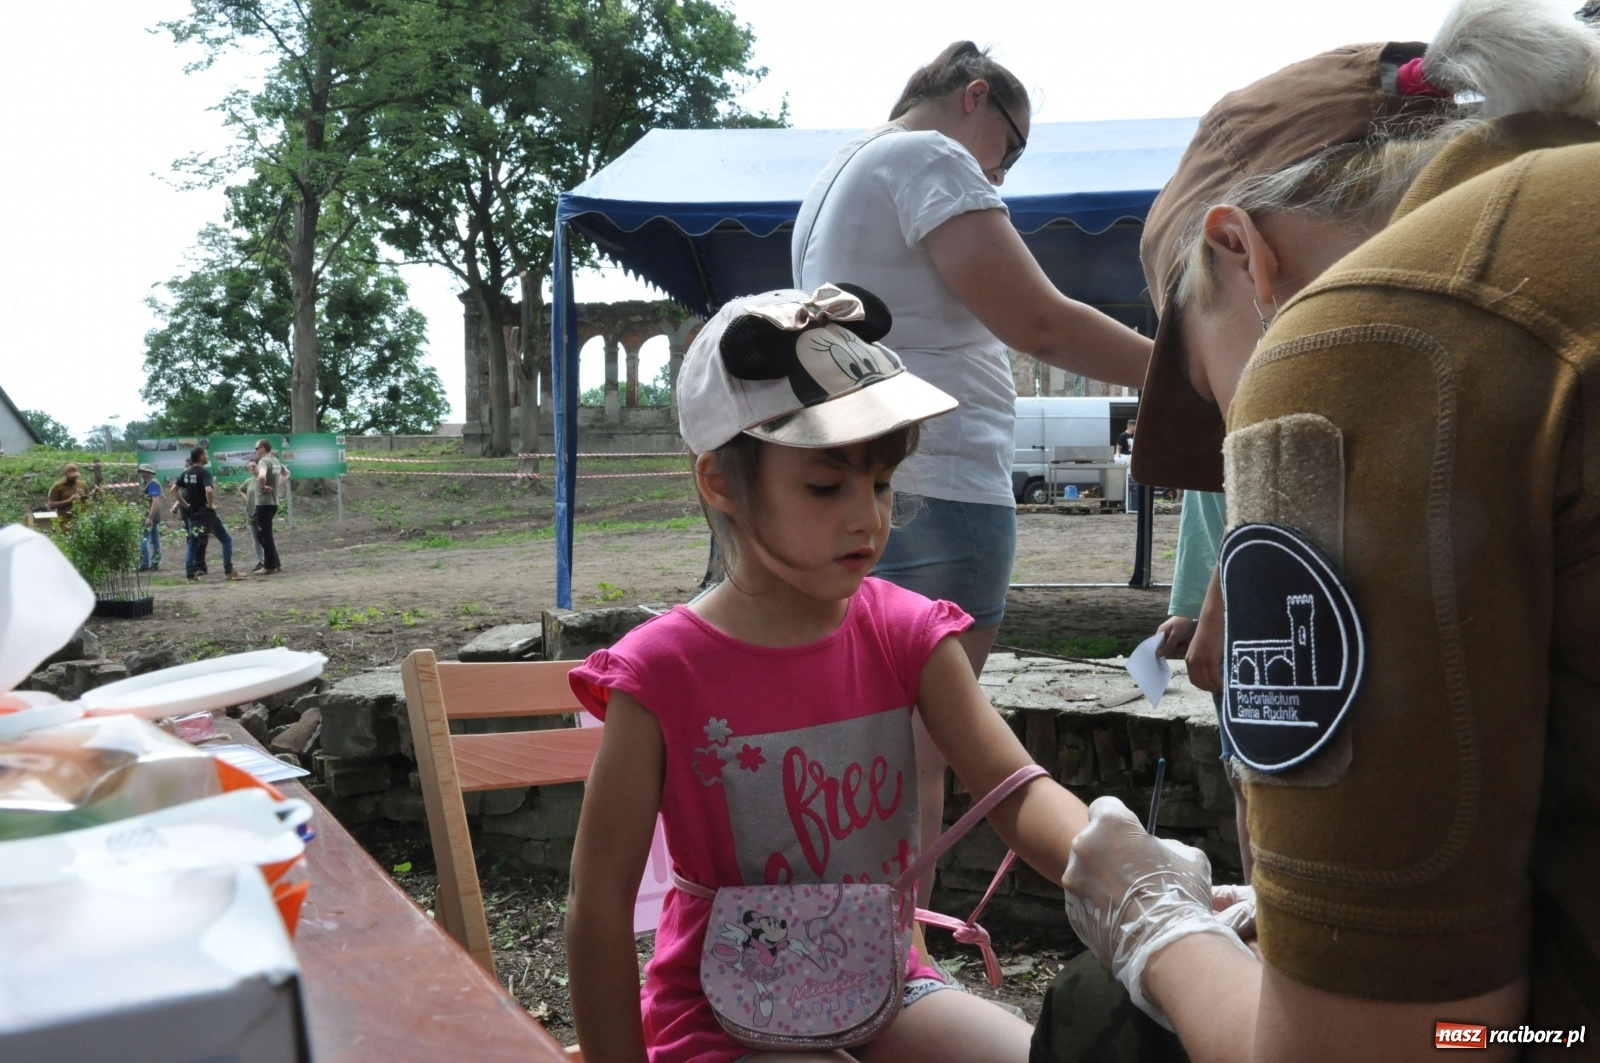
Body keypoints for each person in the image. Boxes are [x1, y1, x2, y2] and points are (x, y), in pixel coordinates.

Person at [1055, 2, 1600, 1058]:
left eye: (1206, 391)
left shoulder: (1369, 340)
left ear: (1242, 254)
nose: (1229, 431)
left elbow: (1400, 1051)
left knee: (1094, 1013)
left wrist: (1148, 916)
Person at [565, 286, 1096, 1063]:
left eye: (880, 481)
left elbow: (1016, 792)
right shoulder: (660, 672)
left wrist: (1131, 881)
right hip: (720, 1015)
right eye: (826, 484)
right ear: (720, 481)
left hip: (883, 981)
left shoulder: (909, 632)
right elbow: (598, 906)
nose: (868, 517)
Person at [792, 42, 1153, 903]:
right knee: (917, 758)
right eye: (1010, 148)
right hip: (945, 484)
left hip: (879, 477)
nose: (1002, 174)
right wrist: (1188, 376)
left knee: (865, 748)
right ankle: (896, 955)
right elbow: (1041, 323)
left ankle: (849, 948)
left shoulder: (836, 175)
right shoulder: (930, 157)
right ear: (974, 96)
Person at [176, 446, 238, 582]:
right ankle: (228, 569)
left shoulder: (186, 473)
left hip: (193, 513)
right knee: (226, 539)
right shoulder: (204, 473)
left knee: (192, 542)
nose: (207, 456)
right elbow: (209, 490)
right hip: (206, 513)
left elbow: (174, 490)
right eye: (206, 454)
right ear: (201, 457)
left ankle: (190, 574)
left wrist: (185, 504)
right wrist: (210, 506)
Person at [252, 438, 284, 574]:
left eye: (256, 448)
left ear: (263, 449)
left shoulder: (264, 461)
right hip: (273, 502)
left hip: (264, 503)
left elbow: (261, 476)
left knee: (265, 535)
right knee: (262, 534)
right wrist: (276, 485)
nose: (255, 451)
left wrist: (262, 486)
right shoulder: (276, 461)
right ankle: (276, 563)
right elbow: (287, 473)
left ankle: (270, 566)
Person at [45, 463, 90, 529]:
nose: (74, 477)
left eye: (76, 475)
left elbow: (87, 501)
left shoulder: (83, 485)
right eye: (72, 476)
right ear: (66, 474)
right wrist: (69, 500)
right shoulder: (57, 486)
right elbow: (51, 505)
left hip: (82, 519)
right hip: (66, 520)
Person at [239, 460, 265, 572]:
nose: (251, 468)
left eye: (253, 466)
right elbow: (241, 489)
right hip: (250, 513)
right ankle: (261, 560)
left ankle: (268, 559)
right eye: (249, 467)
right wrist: (247, 499)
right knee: (255, 538)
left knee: (264, 537)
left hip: (261, 512)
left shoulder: (263, 479)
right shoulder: (249, 481)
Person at [136, 464, 163, 572]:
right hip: (152, 515)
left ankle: (144, 564)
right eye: (142, 471)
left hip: (149, 516)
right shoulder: (146, 483)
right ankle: (155, 563)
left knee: (144, 539)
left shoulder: (152, 484)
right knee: (155, 540)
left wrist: (149, 518)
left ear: (151, 473)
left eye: (146, 472)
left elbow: (156, 502)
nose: (143, 473)